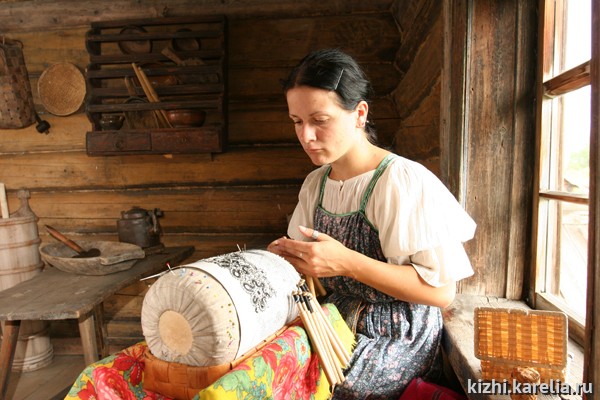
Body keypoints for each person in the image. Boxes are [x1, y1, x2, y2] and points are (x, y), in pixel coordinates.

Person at [267, 48, 476, 399]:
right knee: (265, 366)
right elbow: (307, 269)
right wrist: (287, 257)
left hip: (395, 335)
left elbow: (441, 293)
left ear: (359, 114)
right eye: (297, 121)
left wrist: (347, 262)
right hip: (336, 322)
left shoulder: (401, 181)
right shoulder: (316, 184)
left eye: (320, 120)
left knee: (321, 387)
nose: (306, 136)